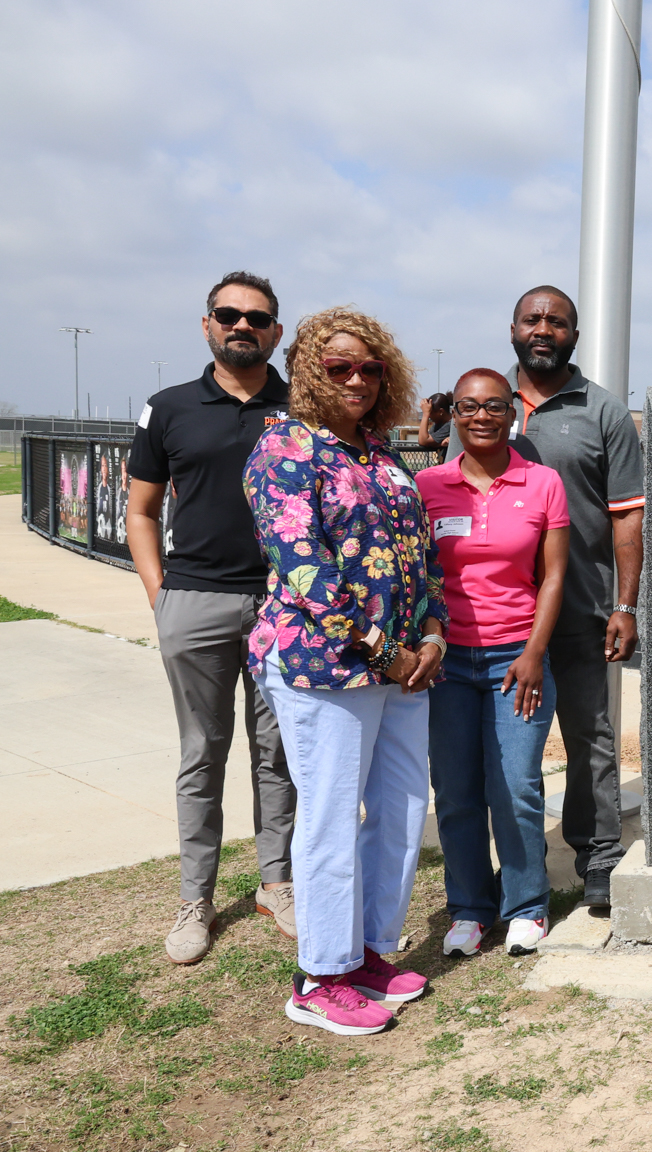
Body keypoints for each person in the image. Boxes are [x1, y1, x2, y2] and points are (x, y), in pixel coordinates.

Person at [245, 306, 443, 1036]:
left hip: (405, 670)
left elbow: (421, 559)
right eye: (339, 367)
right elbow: (305, 569)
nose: (357, 378)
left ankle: (365, 953)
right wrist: (378, 647)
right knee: (329, 819)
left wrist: (430, 635)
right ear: (308, 371)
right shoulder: (285, 449)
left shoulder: (382, 455)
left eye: (370, 367)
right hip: (322, 666)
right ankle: (318, 977)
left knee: (399, 811)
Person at [126, 271, 297, 965]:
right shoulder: (168, 408)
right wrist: (160, 597)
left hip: (283, 607)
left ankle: (275, 884)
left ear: (276, 333)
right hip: (194, 601)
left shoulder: (301, 407)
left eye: (257, 318)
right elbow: (141, 511)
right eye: (228, 314)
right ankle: (195, 898)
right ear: (207, 324)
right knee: (202, 754)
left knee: (277, 754)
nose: (242, 325)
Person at [417, 369, 571, 957]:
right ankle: (470, 908)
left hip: (517, 658)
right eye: (467, 406)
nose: (481, 416)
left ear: (512, 414)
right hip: (447, 661)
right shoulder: (427, 485)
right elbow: (417, 574)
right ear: (453, 414)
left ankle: (527, 903)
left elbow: (554, 574)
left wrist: (535, 652)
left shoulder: (543, 483)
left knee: (516, 787)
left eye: (494, 406)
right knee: (455, 792)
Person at [504, 285, 644, 908]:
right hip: (498, 615)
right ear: (513, 328)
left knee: (590, 738)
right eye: (532, 319)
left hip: (584, 607)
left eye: (556, 321)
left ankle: (599, 859)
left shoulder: (604, 412)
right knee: (509, 744)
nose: (543, 329)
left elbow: (627, 518)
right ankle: (517, 864)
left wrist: (626, 603)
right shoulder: (482, 405)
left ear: (574, 336)